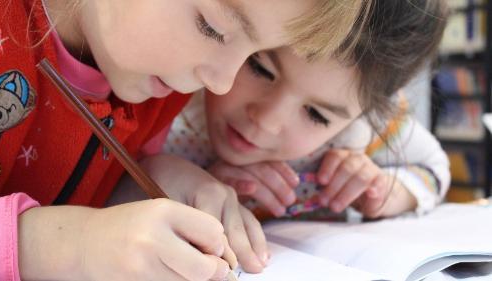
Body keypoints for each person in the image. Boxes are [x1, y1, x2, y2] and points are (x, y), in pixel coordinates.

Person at [0, 0, 372, 280]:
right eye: (213, 28)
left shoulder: (158, 87)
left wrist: (151, 179)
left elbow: (78, 191)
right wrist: (69, 247)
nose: (221, 82)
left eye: (254, 54)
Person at [159, 0, 450, 221]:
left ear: (363, 115)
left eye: (316, 115)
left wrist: (389, 191)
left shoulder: (363, 133)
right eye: (260, 68)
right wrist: (183, 184)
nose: (267, 121)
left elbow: (434, 167)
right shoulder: (167, 95)